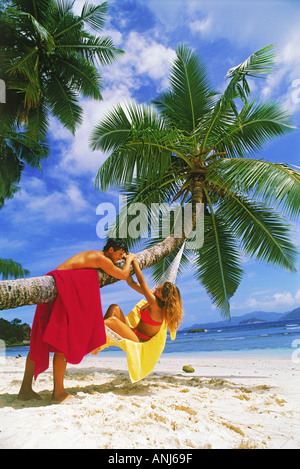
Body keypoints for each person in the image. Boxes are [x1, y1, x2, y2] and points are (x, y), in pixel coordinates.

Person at [17, 238, 135, 404]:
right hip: (61, 290)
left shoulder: (94, 256)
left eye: (123, 256)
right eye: (120, 254)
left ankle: (25, 390)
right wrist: (130, 260)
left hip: (55, 287)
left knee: (40, 343)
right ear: (110, 250)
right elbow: (123, 275)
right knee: (62, 343)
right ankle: (58, 394)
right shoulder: (101, 258)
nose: (120, 258)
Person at [104, 256, 183, 343]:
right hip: (132, 332)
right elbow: (131, 283)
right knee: (114, 308)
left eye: (159, 290)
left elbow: (142, 281)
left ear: (164, 298)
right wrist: (126, 264)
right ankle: (101, 339)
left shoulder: (156, 306)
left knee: (112, 321)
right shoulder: (154, 296)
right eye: (158, 287)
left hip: (138, 341)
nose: (155, 288)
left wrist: (134, 261)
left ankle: (96, 339)